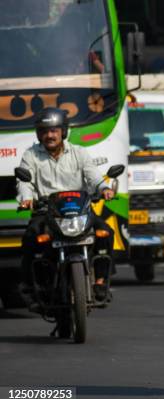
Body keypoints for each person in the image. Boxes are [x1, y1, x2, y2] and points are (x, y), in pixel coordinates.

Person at [17, 107, 115, 306]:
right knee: (30, 237)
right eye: (44, 131)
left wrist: (104, 189)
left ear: (63, 131)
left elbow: (93, 176)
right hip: (46, 212)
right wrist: (26, 198)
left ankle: (100, 282)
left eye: (54, 130)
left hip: (79, 210)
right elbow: (24, 181)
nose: (49, 135)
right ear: (39, 134)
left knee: (106, 232)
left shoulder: (79, 153)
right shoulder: (31, 155)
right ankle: (30, 286)